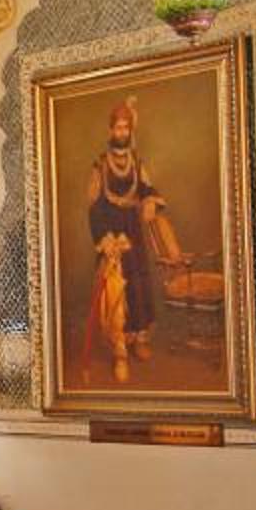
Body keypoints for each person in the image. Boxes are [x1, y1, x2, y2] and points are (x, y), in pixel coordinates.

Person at [81, 99, 185, 377]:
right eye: (118, 127)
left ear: (130, 130)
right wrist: (107, 240)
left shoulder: (137, 162)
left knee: (138, 285)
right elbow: (94, 206)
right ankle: (119, 351)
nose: (122, 132)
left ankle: (139, 339)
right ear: (111, 130)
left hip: (134, 231)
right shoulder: (100, 165)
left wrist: (149, 201)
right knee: (115, 290)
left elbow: (147, 188)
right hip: (111, 231)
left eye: (126, 127)